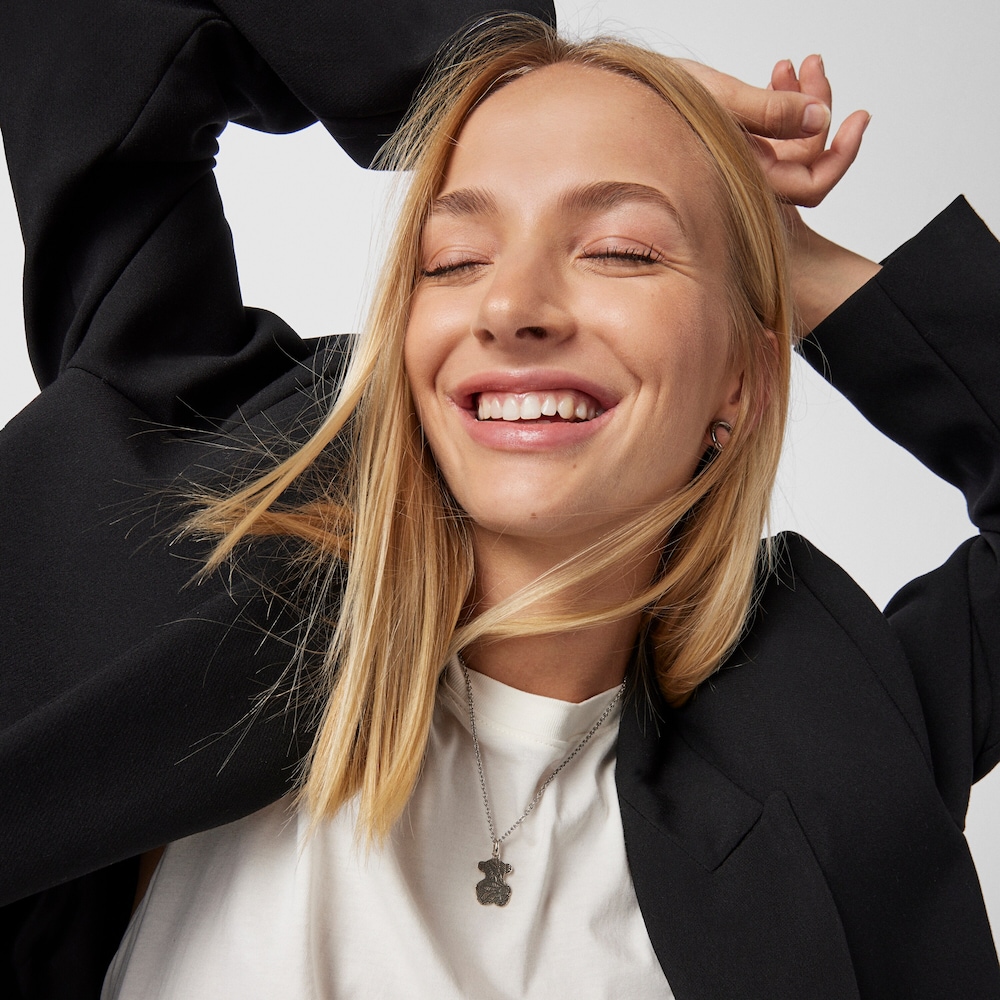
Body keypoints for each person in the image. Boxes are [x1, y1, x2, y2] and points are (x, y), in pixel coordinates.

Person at [2, 5, 997, 1000]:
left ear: (742, 380)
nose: (512, 307)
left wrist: (795, 262)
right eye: (454, 261)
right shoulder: (194, 548)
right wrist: (481, 68)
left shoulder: (837, 728)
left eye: (621, 250)